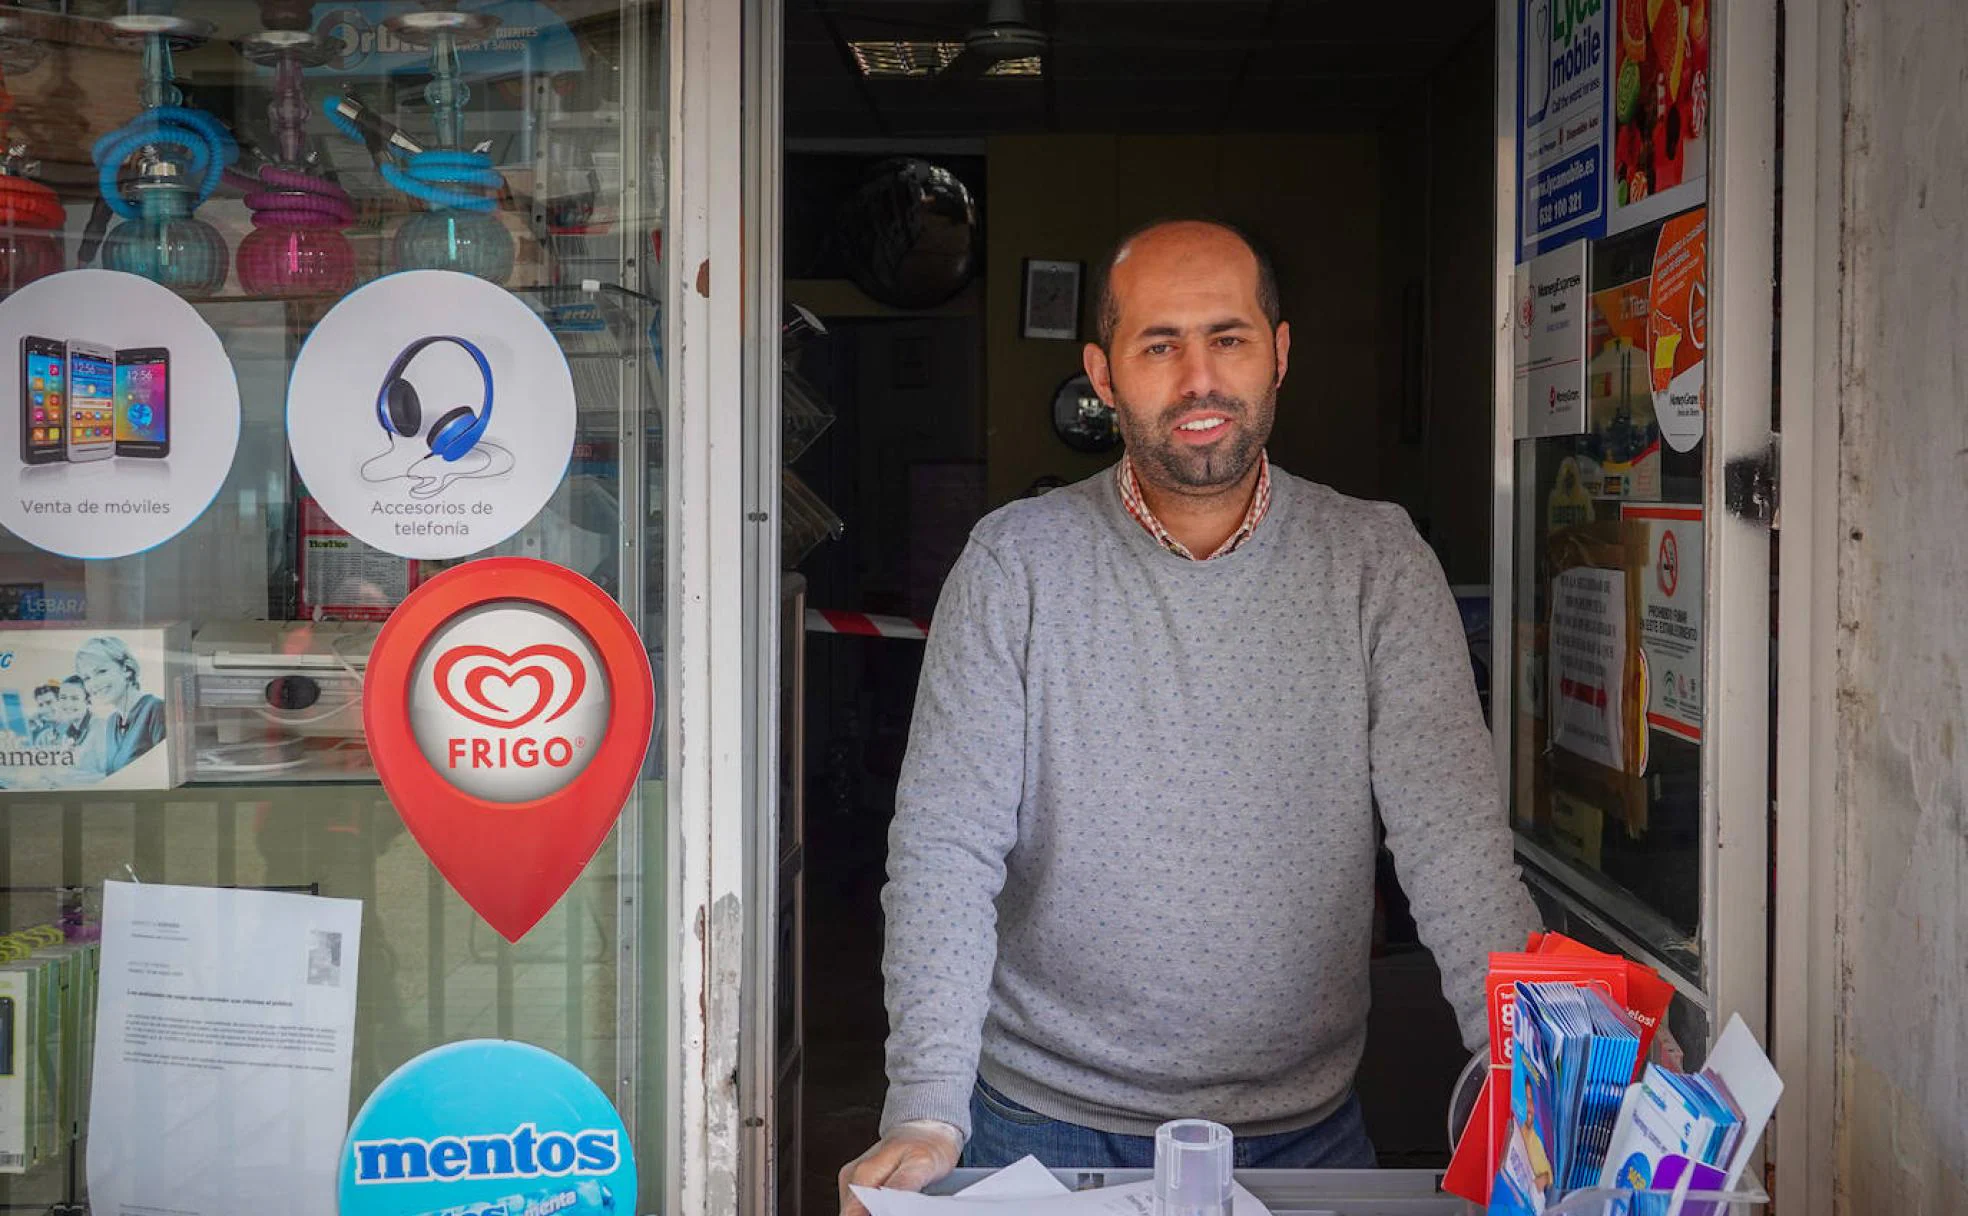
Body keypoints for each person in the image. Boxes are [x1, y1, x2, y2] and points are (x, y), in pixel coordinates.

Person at [840, 219, 1539, 1212]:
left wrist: (1545, 1078)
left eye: (1229, 337)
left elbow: (1455, 843)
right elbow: (946, 850)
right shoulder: (1015, 564)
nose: (1199, 377)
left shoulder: (1376, 563)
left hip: (1302, 1134)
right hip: (1038, 1127)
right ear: (1105, 375)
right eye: (1158, 345)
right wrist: (923, 1109)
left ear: (1280, 352)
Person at [74, 636, 164, 776]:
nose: (94, 684)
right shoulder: (112, 722)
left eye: (101, 671)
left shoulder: (156, 709)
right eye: (87, 678)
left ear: (126, 669)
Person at [27, 682, 61, 746]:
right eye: (41, 705)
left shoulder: (71, 725)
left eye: (49, 702)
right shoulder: (39, 729)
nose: (44, 708)